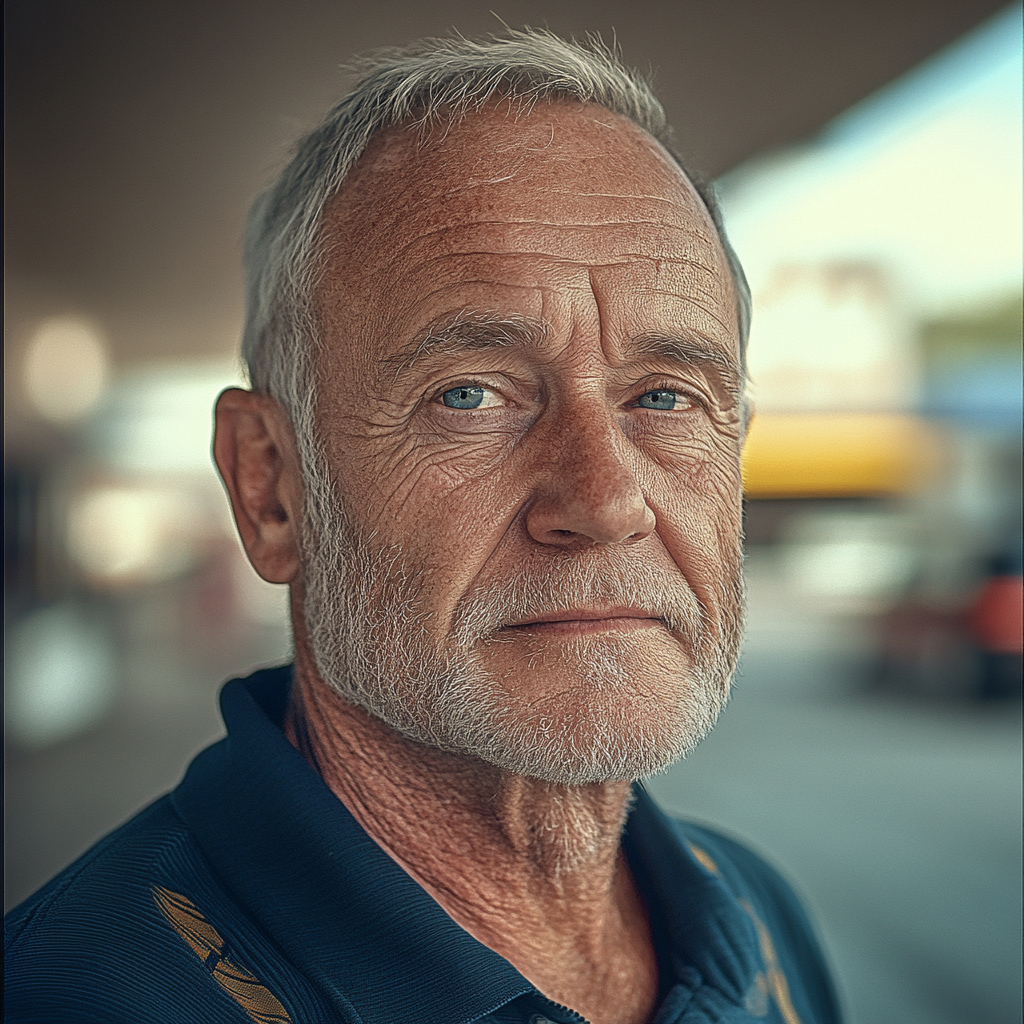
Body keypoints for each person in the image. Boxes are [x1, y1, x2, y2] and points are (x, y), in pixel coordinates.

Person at [5, 30, 841, 1024]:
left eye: (664, 396)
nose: (607, 499)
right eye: (470, 395)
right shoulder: (71, 992)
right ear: (272, 489)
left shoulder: (757, 914)